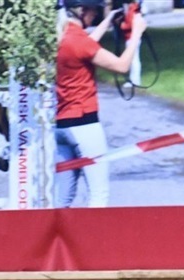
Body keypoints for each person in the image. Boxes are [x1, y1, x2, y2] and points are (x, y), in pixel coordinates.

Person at [56, 0, 147, 208]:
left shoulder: (63, 37)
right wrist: (136, 34)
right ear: (82, 11)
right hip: (84, 125)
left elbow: (85, 47)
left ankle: (53, 231)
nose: (94, 16)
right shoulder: (79, 42)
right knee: (98, 195)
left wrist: (107, 21)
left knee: (62, 199)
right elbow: (122, 66)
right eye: (94, 12)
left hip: (61, 125)